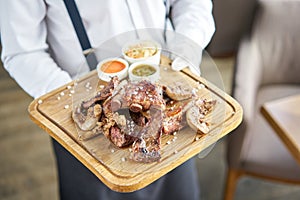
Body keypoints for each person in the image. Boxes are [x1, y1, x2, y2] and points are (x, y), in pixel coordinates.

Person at [0, 0, 215, 199]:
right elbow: (22, 51)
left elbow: (191, 3)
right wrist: (75, 99)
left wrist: (188, 46)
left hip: (168, 112)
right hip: (87, 131)